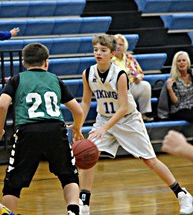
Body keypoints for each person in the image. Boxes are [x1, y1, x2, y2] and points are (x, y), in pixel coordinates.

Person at [79, 34, 193, 215]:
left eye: (103, 50)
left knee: (149, 160)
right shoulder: (88, 73)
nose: (98, 53)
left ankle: (182, 194)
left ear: (112, 53)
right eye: (95, 50)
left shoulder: (120, 74)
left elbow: (123, 107)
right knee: (88, 156)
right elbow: (85, 103)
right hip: (104, 119)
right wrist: (78, 126)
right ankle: (83, 204)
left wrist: (104, 128)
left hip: (128, 119)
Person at [0, 42, 84, 215]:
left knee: (13, 182)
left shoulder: (17, 79)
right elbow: (78, 111)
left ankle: (9, 213)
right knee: (69, 175)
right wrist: (77, 128)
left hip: (28, 131)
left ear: (24, 63)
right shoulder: (55, 79)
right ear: (46, 62)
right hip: (55, 129)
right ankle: (73, 210)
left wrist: (0, 131)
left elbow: (2, 106)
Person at [112, 34, 153, 122]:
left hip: (131, 85)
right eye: (116, 44)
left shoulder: (129, 58)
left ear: (124, 46)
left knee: (145, 85)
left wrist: (138, 77)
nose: (118, 47)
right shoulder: (109, 59)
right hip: (116, 89)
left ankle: (143, 115)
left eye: (121, 45)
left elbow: (140, 72)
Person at [166, 51, 193, 122]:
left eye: (184, 60)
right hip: (179, 109)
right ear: (176, 64)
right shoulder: (173, 80)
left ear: (188, 62)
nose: (182, 62)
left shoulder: (191, 76)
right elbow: (176, 102)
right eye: (179, 61)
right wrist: (170, 89)